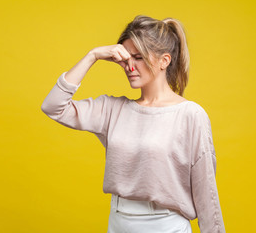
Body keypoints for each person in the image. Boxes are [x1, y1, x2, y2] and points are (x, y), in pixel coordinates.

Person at [41, 15, 226, 233]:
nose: (130, 66)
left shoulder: (190, 115)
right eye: (126, 58)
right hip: (118, 223)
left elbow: (206, 192)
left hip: (166, 226)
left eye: (138, 57)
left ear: (164, 61)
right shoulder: (113, 110)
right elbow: (53, 107)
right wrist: (93, 55)